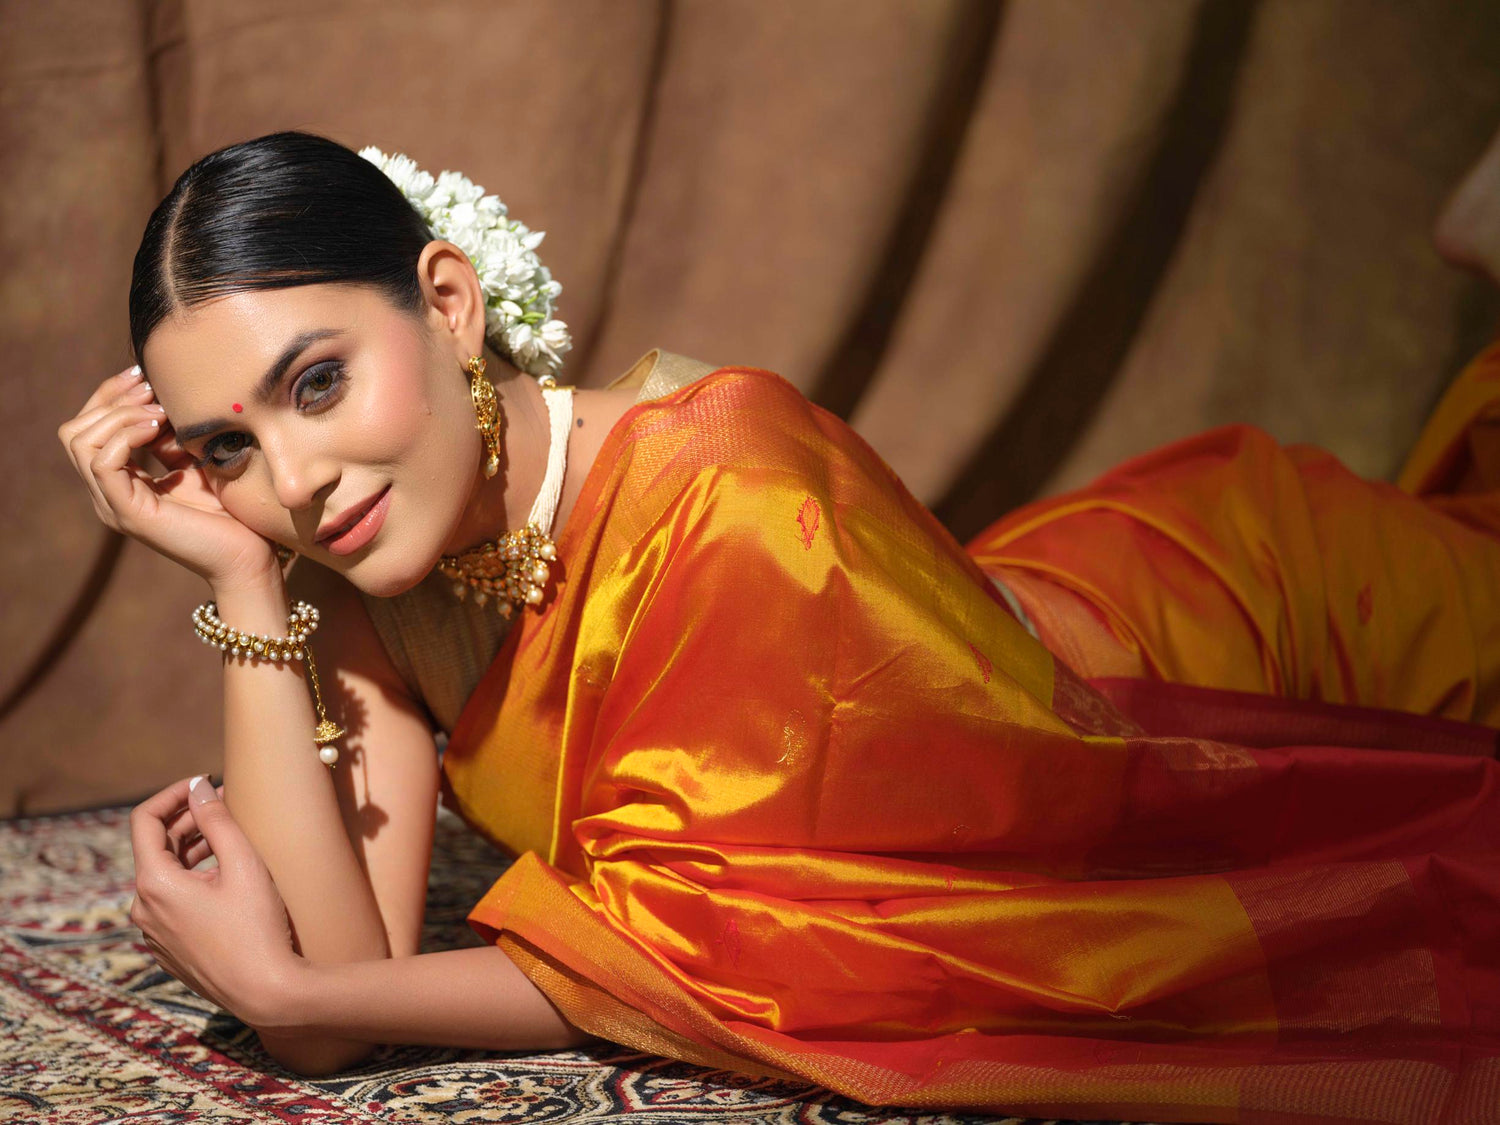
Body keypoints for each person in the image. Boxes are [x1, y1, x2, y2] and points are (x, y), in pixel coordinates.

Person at [57, 130, 1500, 1125]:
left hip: (1202, 644)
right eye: (227, 450)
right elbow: (338, 995)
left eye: (317, 383)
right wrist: (241, 585)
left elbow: (707, 946)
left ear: (445, 301)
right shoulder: (373, 559)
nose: (295, 481)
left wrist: (296, 984)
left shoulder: (723, 481)